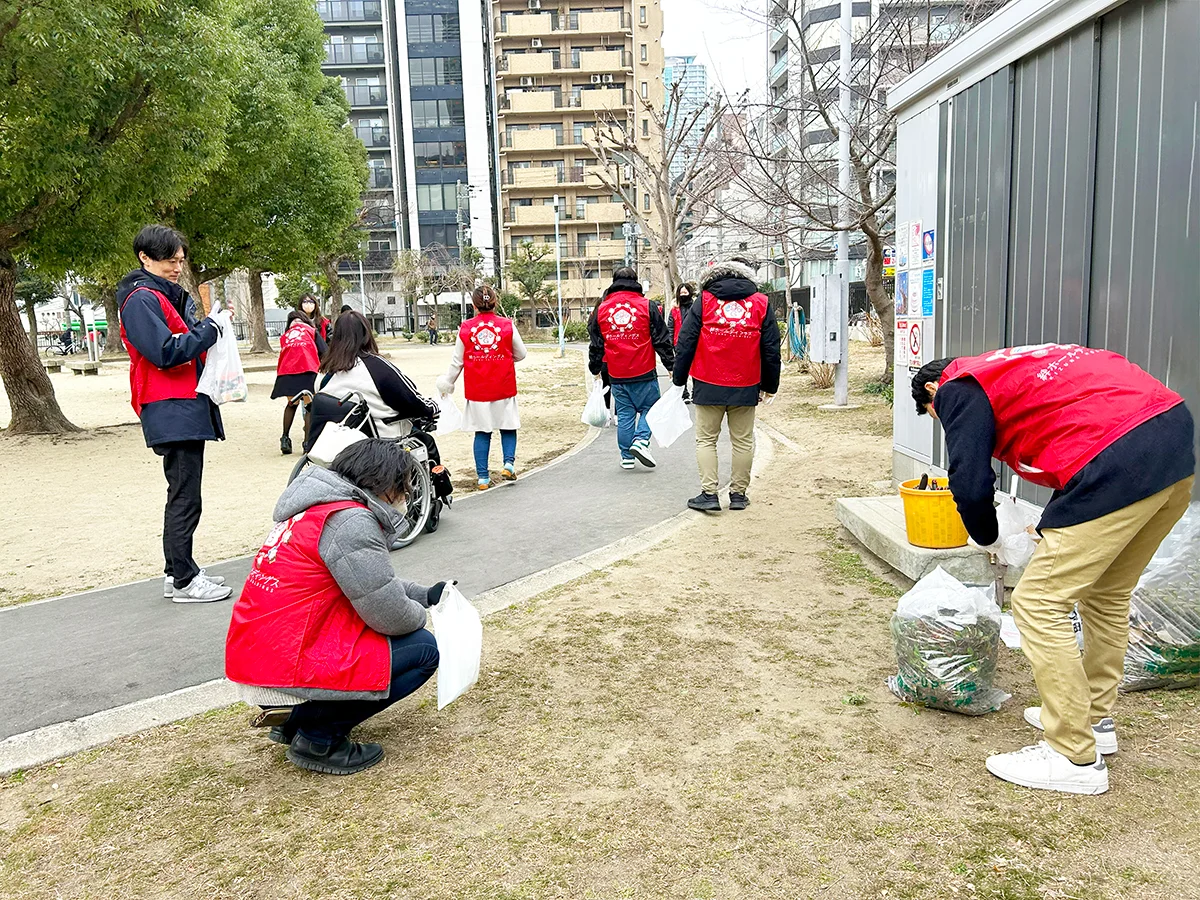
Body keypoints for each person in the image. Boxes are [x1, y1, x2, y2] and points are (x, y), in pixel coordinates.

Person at [912, 345, 1195, 795]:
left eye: (934, 413)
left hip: (1117, 458)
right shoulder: (1016, 365)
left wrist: (986, 536)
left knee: (1038, 603)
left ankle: (1071, 754)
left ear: (932, 389)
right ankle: (1095, 718)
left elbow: (969, 480)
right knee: (1105, 594)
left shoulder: (958, 386)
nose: (944, 419)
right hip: (1173, 443)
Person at [226, 439, 450, 775]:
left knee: (386, 638)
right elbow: (388, 614)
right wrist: (422, 616)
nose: (405, 495)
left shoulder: (315, 508)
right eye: (403, 486)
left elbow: (367, 584)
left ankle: (295, 722)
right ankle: (318, 736)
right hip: (285, 667)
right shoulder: (350, 521)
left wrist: (424, 594)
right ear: (387, 484)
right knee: (422, 648)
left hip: (259, 655)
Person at [117, 224, 233, 603]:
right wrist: (209, 331)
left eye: (181, 260)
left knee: (182, 492)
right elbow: (164, 351)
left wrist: (207, 327)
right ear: (145, 258)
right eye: (170, 260)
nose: (177, 267)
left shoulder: (158, 295)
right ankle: (184, 578)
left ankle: (177, 571)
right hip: (170, 403)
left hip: (179, 403)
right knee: (185, 495)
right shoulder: (141, 299)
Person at [672, 258, 781, 512]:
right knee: (743, 440)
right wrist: (770, 385)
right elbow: (771, 348)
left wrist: (679, 379)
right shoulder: (761, 303)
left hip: (708, 381)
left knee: (706, 440)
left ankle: (709, 494)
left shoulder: (706, 300)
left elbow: (686, 340)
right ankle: (739, 495)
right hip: (746, 382)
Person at [437, 285, 527, 490]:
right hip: (503, 384)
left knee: (482, 432)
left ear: (474, 305)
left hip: (478, 388)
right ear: (495, 301)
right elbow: (521, 353)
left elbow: (457, 361)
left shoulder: (466, 328)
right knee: (508, 426)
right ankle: (508, 463)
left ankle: (483, 478)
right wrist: (503, 357)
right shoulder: (507, 325)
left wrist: (447, 383)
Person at [588, 266, 674, 470]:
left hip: (617, 372)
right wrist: (671, 365)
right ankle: (641, 440)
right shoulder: (647, 305)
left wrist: (595, 368)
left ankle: (626, 456)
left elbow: (596, 343)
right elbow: (661, 339)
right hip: (644, 369)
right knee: (651, 408)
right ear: (635, 282)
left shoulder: (602, 309)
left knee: (625, 413)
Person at [317, 310, 439, 439]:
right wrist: (432, 408)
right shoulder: (376, 366)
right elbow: (409, 399)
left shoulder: (324, 371)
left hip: (334, 441)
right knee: (427, 441)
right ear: (366, 334)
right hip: (380, 440)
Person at [272, 309, 326, 455]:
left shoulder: (285, 335)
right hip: (307, 371)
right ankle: (307, 443)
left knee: (291, 404)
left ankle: (285, 439)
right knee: (309, 406)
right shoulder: (311, 331)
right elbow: (324, 351)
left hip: (286, 373)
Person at [668, 282, 697, 403]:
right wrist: (670, 342)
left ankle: (695, 392)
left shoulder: (696, 308)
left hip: (695, 342)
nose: (683, 294)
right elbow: (670, 326)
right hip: (678, 343)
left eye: (686, 292)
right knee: (681, 368)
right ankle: (684, 393)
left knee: (695, 369)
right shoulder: (674, 309)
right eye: (681, 292)